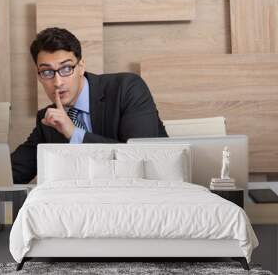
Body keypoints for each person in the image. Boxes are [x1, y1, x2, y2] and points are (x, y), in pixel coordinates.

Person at [11, 27, 168, 184]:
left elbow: (140, 158)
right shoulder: (48, 119)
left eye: (66, 68)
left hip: (149, 197)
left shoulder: (127, 88)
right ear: (39, 76)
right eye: (47, 72)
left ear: (81, 67)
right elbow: (14, 172)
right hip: (87, 204)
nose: (57, 82)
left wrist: (74, 133)